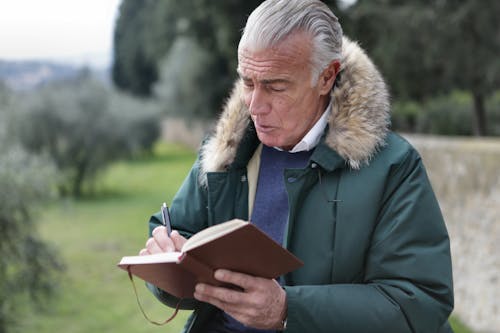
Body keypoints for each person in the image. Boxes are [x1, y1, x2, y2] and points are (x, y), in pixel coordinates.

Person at [139, 0, 454, 332]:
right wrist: (166, 265)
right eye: (247, 82)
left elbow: (419, 299)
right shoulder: (223, 153)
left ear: (327, 77)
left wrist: (289, 311)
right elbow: (172, 233)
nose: (255, 106)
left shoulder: (393, 167)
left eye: (275, 87)